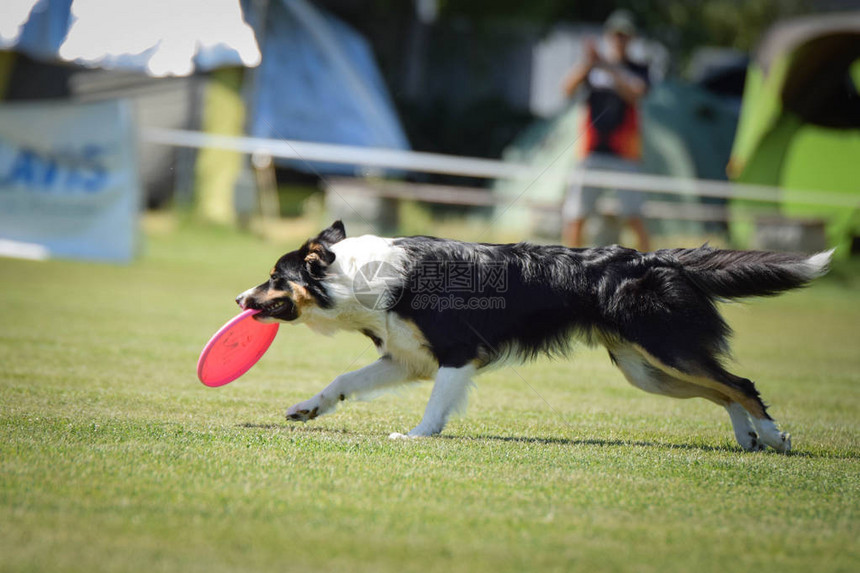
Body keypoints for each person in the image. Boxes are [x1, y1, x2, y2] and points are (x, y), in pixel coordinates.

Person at [561, 9, 651, 251]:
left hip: (624, 154)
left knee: (634, 216)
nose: (619, 40)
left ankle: (654, 268)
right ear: (608, 36)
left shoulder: (638, 68)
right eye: (615, 35)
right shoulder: (592, 68)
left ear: (631, 39)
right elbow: (566, 89)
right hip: (592, 150)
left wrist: (607, 66)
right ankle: (572, 268)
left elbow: (636, 93)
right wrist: (587, 64)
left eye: (624, 36)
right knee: (576, 215)